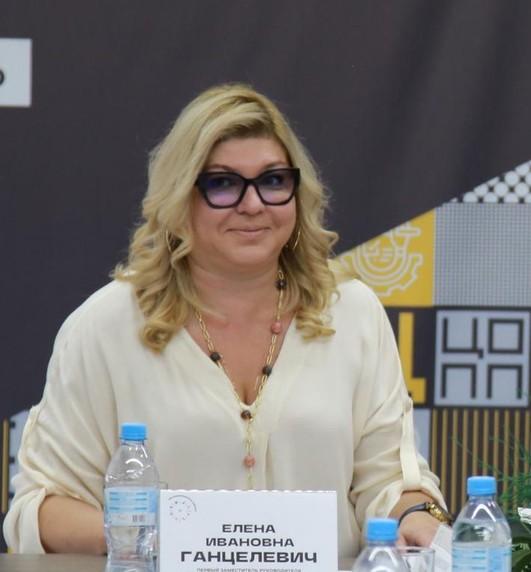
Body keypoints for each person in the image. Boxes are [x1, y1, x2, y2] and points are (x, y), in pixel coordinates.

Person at [4, 83, 449, 562]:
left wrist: (418, 519)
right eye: (222, 184)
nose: (253, 204)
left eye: (273, 181)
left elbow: (389, 481)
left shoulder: (352, 313)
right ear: (180, 199)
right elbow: (41, 510)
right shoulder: (105, 326)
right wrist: (167, 540)